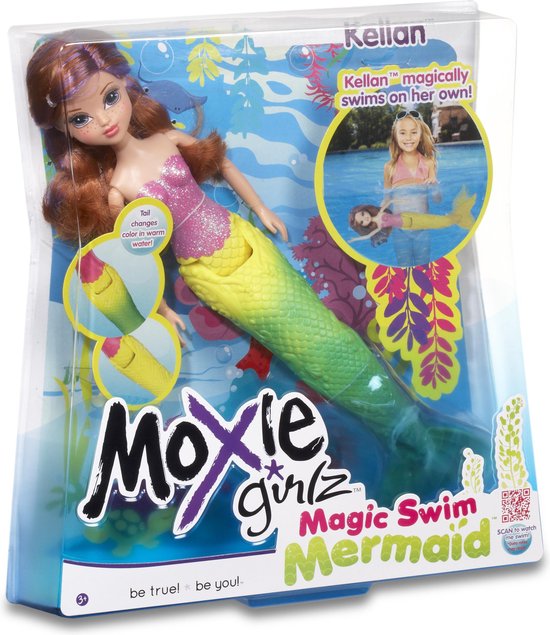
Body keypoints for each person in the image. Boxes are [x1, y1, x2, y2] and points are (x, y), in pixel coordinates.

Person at [26, 34, 489, 502]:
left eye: (110, 97)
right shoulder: (118, 188)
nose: (105, 119)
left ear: (126, 88)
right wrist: (160, 309)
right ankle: (402, 433)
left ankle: (410, 428)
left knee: (322, 325)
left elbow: (222, 166)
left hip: (242, 238)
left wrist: (262, 208)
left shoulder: (166, 140)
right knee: (302, 345)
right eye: (80, 118)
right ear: (66, 131)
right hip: (211, 273)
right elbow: (133, 258)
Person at [380, 109, 442, 265]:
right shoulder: (390, 167)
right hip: (400, 230)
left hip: (423, 228)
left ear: (421, 135)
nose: (408, 138)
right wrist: (379, 219)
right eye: (403, 133)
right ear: (395, 136)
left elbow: (437, 200)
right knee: (403, 267)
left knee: (423, 266)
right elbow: (386, 199)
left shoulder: (429, 163)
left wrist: (434, 185)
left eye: (413, 132)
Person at [348, 188, 475, 245]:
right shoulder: (379, 226)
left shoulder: (380, 211)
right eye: (362, 222)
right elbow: (368, 236)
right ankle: (457, 217)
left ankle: (456, 217)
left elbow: (390, 201)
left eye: (363, 214)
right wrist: (355, 239)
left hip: (407, 216)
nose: (365, 218)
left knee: (432, 220)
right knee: (432, 223)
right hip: (408, 225)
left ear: (365, 210)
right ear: (364, 226)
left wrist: (404, 200)